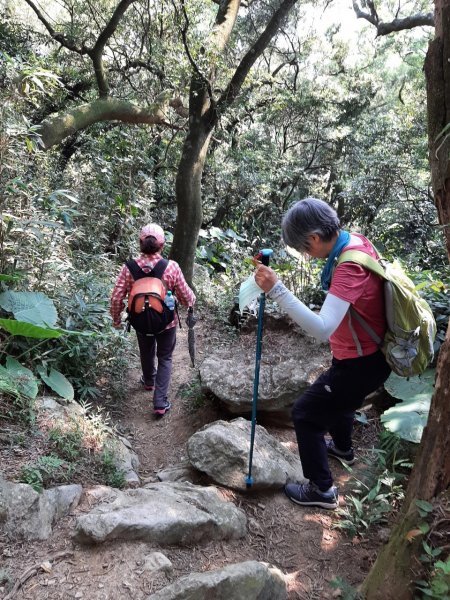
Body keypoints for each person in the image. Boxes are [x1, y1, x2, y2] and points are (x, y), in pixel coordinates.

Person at [254, 198, 391, 509]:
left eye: (305, 248)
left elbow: (321, 328)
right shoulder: (355, 242)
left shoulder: (349, 267)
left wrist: (277, 289)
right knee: (342, 399)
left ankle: (322, 491)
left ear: (314, 238)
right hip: (362, 356)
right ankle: (343, 449)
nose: (307, 254)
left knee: (305, 413)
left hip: (362, 363)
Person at [111, 223, 196, 416]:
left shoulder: (129, 268)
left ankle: (149, 381)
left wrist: (117, 320)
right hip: (166, 322)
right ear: (162, 245)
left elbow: (116, 297)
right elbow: (187, 298)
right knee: (165, 356)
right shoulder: (171, 267)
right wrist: (190, 302)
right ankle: (160, 403)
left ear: (140, 242)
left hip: (139, 319)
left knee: (146, 349)